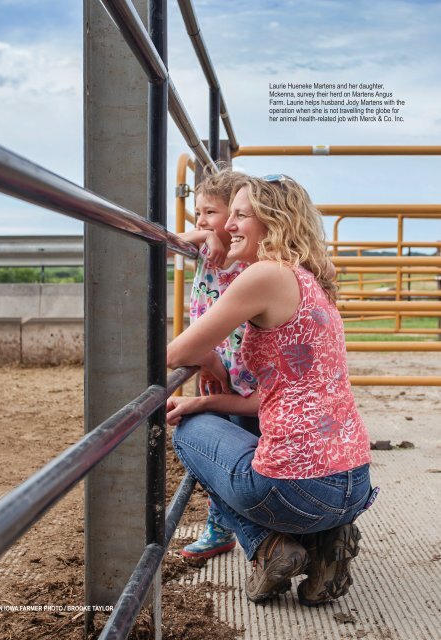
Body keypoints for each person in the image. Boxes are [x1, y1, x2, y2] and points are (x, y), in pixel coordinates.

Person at [167, 172, 377, 606]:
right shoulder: (311, 278)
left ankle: (269, 546)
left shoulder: (264, 275)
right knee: (203, 414)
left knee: (188, 434)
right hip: (354, 483)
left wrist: (203, 360)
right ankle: (327, 543)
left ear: (272, 221)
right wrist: (203, 398)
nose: (226, 226)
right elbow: (273, 395)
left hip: (301, 491)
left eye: (240, 216)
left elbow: (174, 354)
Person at [175, 168, 260, 559]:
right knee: (216, 456)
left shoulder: (251, 258)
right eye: (198, 213)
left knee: (248, 452)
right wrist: (203, 234)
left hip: (249, 375)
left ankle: (258, 529)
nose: (202, 220)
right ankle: (219, 526)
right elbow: (167, 241)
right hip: (213, 369)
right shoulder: (207, 252)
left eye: (211, 212)